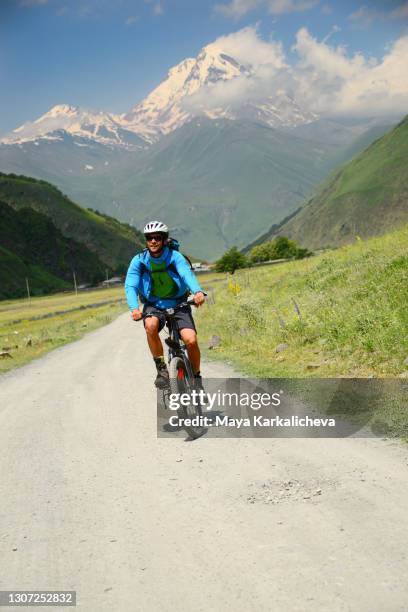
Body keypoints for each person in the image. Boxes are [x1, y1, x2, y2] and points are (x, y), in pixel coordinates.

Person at [124, 221, 206, 389]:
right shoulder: (139, 260)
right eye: (149, 238)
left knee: (190, 341)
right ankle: (161, 369)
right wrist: (134, 308)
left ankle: (197, 378)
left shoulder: (175, 257)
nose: (153, 241)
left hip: (179, 303)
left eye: (157, 237)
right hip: (154, 305)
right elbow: (130, 285)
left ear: (164, 239)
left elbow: (185, 274)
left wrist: (197, 291)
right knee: (150, 326)